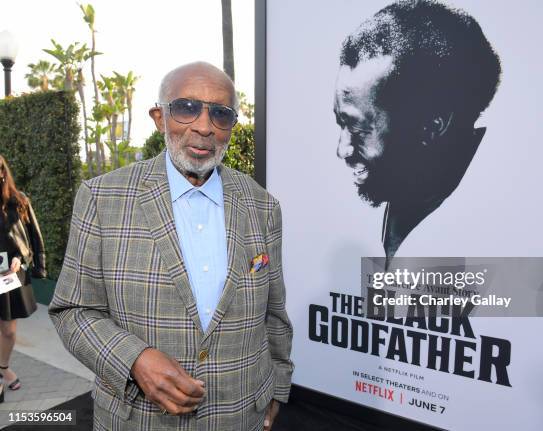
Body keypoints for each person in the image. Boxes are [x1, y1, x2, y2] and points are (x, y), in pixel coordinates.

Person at [49, 62, 293, 430]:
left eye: (220, 114)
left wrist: (278, 389)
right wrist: (135, 359)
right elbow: (73, 311)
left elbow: (274, 315)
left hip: (242, 416)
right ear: (159, 117)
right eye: (187, 107)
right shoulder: (102, 197)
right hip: (137, 421)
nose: (204, 126)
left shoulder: (263, 206)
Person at [333, 0, 501, 263]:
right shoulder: (401, 195)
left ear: (432, 127)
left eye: (357, 127)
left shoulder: (492, 229)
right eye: (340, 123)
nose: (341, 150)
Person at [0, 155, 46, 399]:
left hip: (9, 275)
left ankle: (2, 367)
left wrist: (23, 258)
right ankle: (6, 374)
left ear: (2, 172)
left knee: (7, 330)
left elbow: (33, 238)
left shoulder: (19, 201)